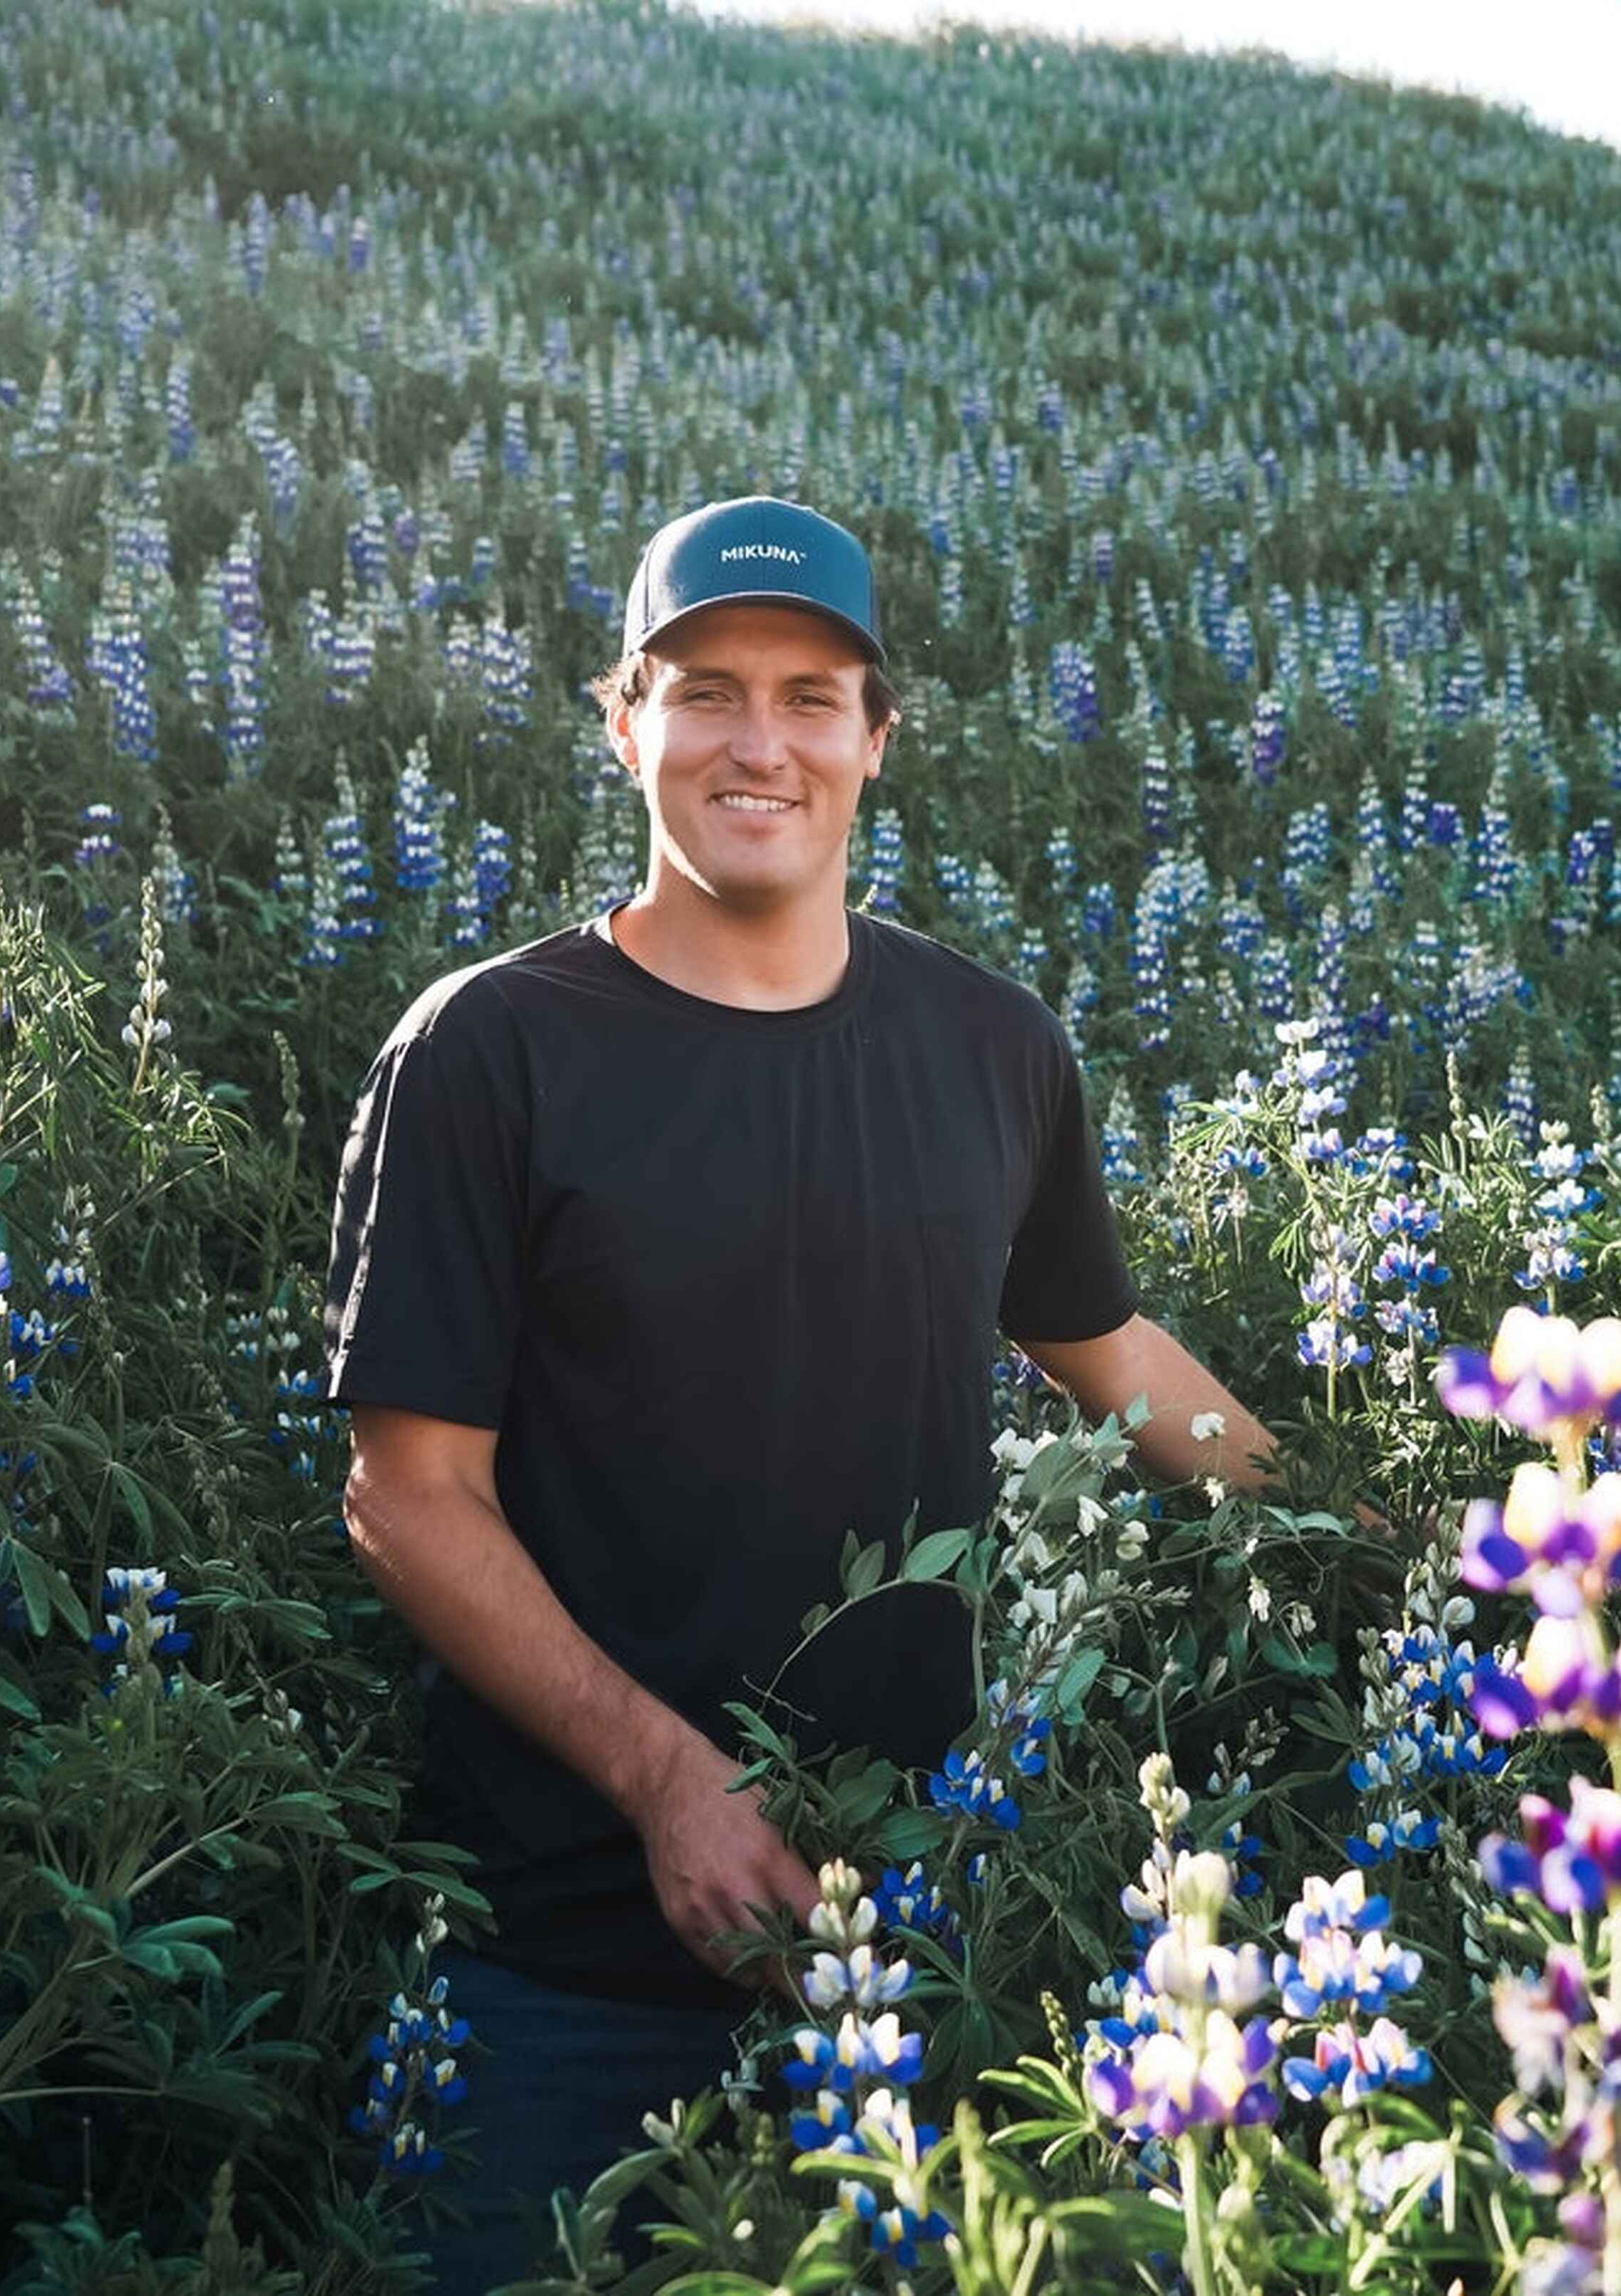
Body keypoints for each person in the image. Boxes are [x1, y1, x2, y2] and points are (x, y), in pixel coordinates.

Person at [322, 495, 1281, 2290]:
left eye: (809, 696)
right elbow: (406, 1493)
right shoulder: (486, 1051)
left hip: (917, 1933)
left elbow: (1108, 1356)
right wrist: (666, 1784)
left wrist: (1371, 1537)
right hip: (560, 1959)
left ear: (875, 739)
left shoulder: (990, 1046)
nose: (756, 742)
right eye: (702, 692)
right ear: (624, 723)